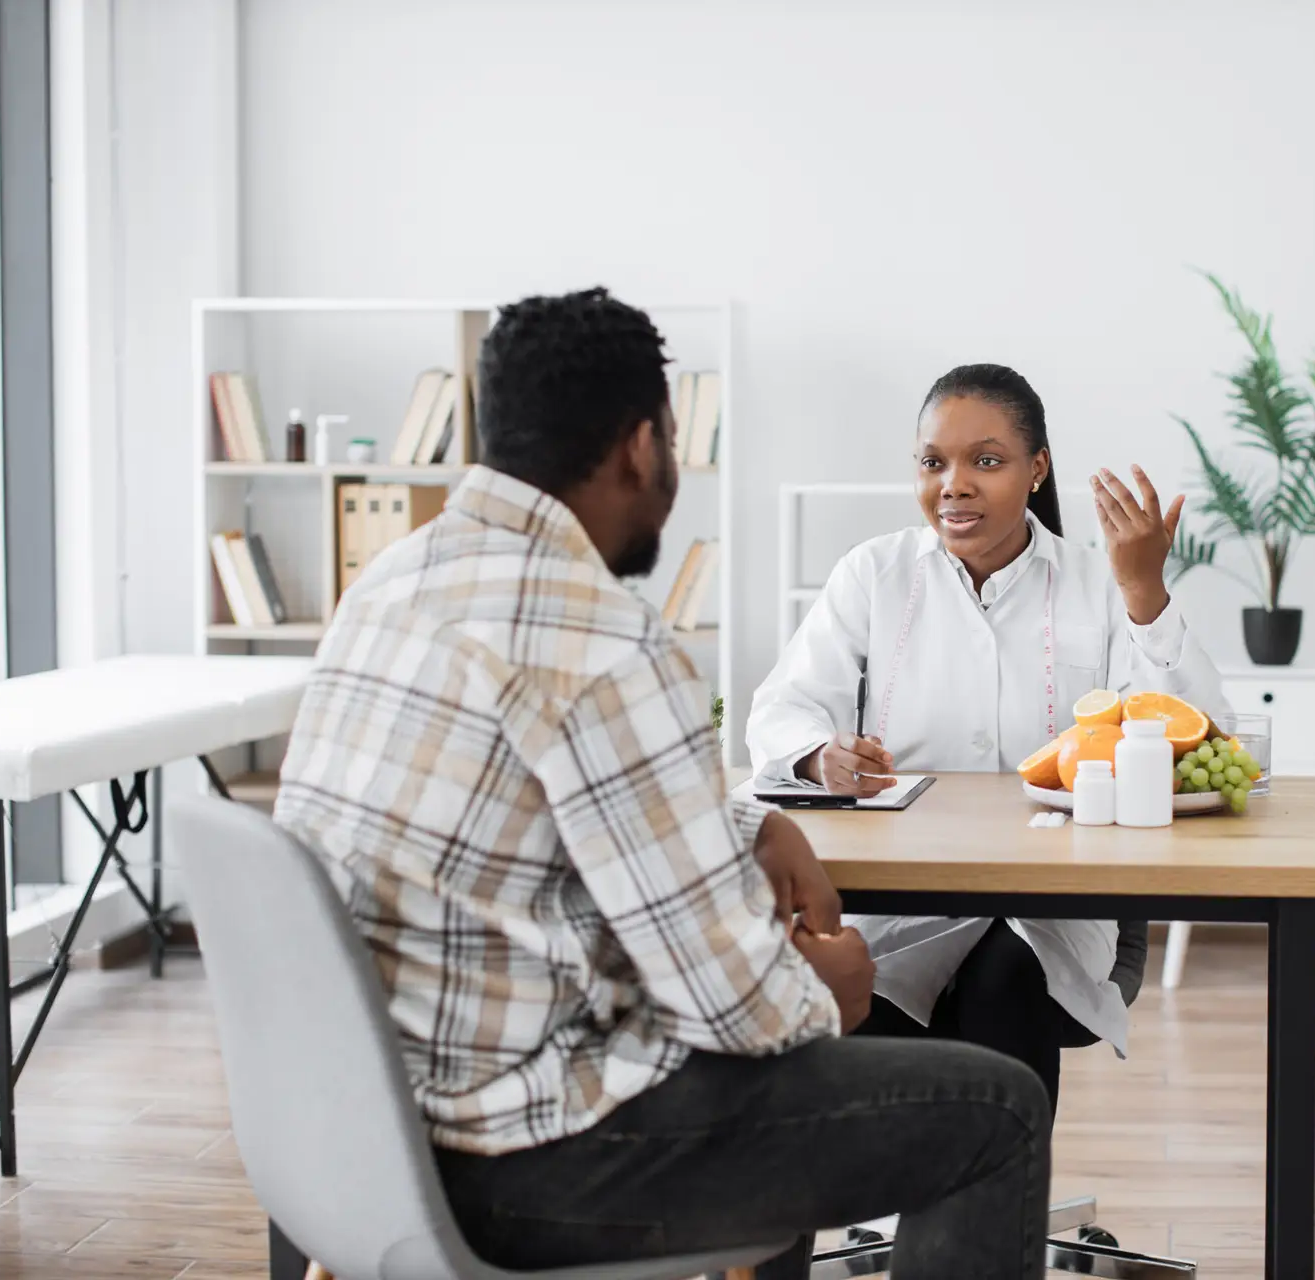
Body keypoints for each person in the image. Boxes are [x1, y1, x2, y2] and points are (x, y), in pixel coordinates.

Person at [274, 295, 1052, 1280]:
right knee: (998, 1106)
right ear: (644, 444)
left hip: (350, 1136)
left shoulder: (389, 582)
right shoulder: (601, 638)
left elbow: (542, 781)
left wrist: (744, 820)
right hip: (526, 1159)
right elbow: (739, 1010)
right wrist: (838, 986)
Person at [747, 363, 1230, 1113]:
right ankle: (941, 1217)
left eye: (988, 461)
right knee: (866, 982)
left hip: (1051, 907)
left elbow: (1191, 737)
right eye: (934, 462)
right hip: (904, 899)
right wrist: (819, 752)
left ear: (1038, 469)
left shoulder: (1098, 580)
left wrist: (1145, 593)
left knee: (1003, 974)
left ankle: (989, 1225)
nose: (955, 484)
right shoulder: (873, 574)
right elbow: (784, 708)